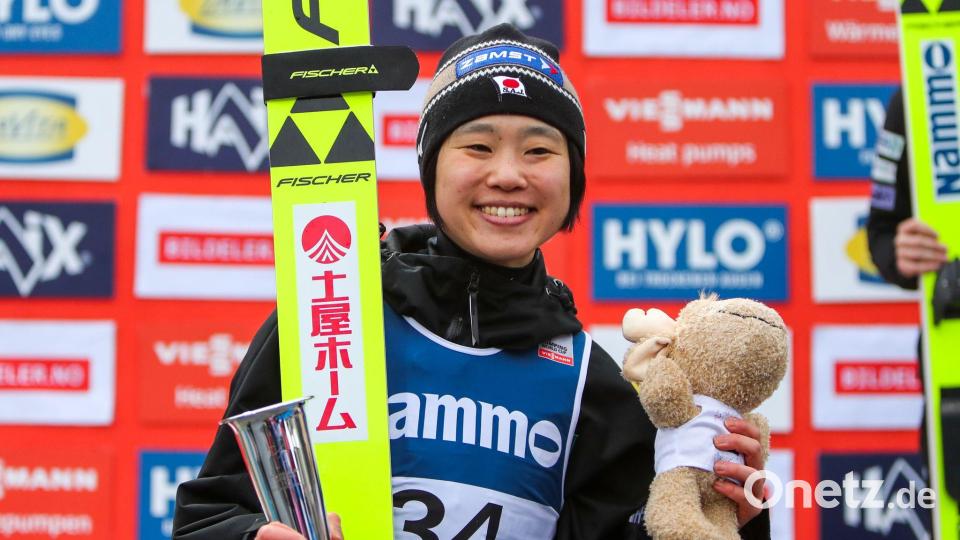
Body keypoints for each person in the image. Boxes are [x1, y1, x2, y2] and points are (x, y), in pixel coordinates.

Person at [173, 24, 771, 540]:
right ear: (433, 170)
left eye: (539, 150)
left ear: (572, 185)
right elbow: (209, 515)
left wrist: (729, 515)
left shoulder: (592, 383)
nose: (507, 175)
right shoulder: (332, 315)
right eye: (477, 146)